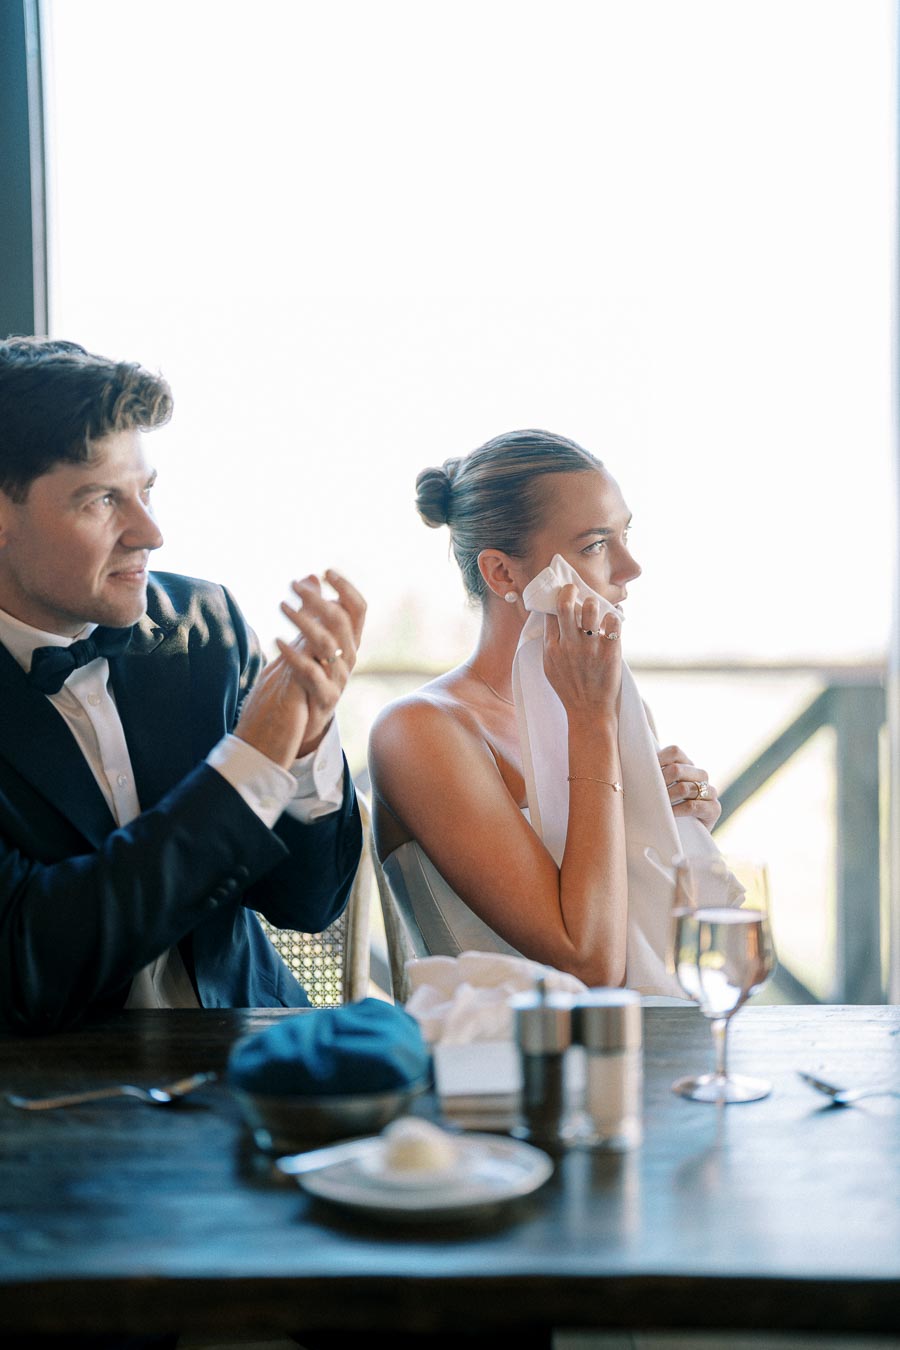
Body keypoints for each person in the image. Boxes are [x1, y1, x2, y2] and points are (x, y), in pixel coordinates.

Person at [0, 336, 364, 1035]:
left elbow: (309, 904)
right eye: (102, 499)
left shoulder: (205, 627)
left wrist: (306, 741)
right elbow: (30, 961)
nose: (151, 532)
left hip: (253, 1048)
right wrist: (248, 764)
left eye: (147, 490)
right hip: (51, 1087)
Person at [368, 429, 721, 993]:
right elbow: (589, 966)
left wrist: (681, 824)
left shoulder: (608, 703)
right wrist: (592, 723)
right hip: (501, 1065)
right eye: (596, 545)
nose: (630, 567)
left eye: (624, 534)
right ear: (503, 574)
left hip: (639, 1050)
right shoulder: (421, 730)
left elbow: (654, 943)